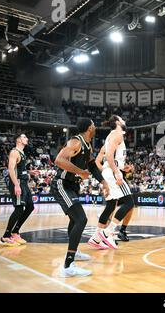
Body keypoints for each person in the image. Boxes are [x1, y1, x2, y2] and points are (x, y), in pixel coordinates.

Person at [51, 118, 109, 277]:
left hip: (72, 186)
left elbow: (92, 167)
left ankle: (73, 253)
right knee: (81, 219)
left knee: (74, 220)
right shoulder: (75, 142)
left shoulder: (87, 145)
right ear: (90, 127)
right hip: (62, 184)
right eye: (94, 125)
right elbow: (59, 160)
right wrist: (79, 172)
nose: (95, 126)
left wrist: (104, 182)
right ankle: (68, 266)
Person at [88, 115, 136, 250]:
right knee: (129, 202)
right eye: (122, 120)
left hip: (109, 171)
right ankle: (108, 232)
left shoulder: (112, 135)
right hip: (111, 172)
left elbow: (111, 157)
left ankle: (96, 237)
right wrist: (116, 171)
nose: (124, 121)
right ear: (117, 122)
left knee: (110, 206)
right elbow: (108, 155)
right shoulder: (117, 134)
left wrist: (120, 167)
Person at [0, 134, 34, 246]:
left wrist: (29, 173)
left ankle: (15, 232)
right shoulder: (14, 152)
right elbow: (10, 169)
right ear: (18, 140)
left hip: (24, 183)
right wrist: (16, 185)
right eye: (24, 137)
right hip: (18, 183)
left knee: (30, 207)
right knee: (19, 209)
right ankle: (5, 236)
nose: (27, 138)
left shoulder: (22, 153)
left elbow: (19, 169)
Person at [94, 145, 134, 242]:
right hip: (113, 176)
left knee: (112, 205)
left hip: (111, 175)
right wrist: (106, 169)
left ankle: (102, 235)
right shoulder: (112, 144)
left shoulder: (110, 147)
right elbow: (99, 162)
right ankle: (108, 233)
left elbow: (99, 162)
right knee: (126, 203)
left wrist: (124, 168)